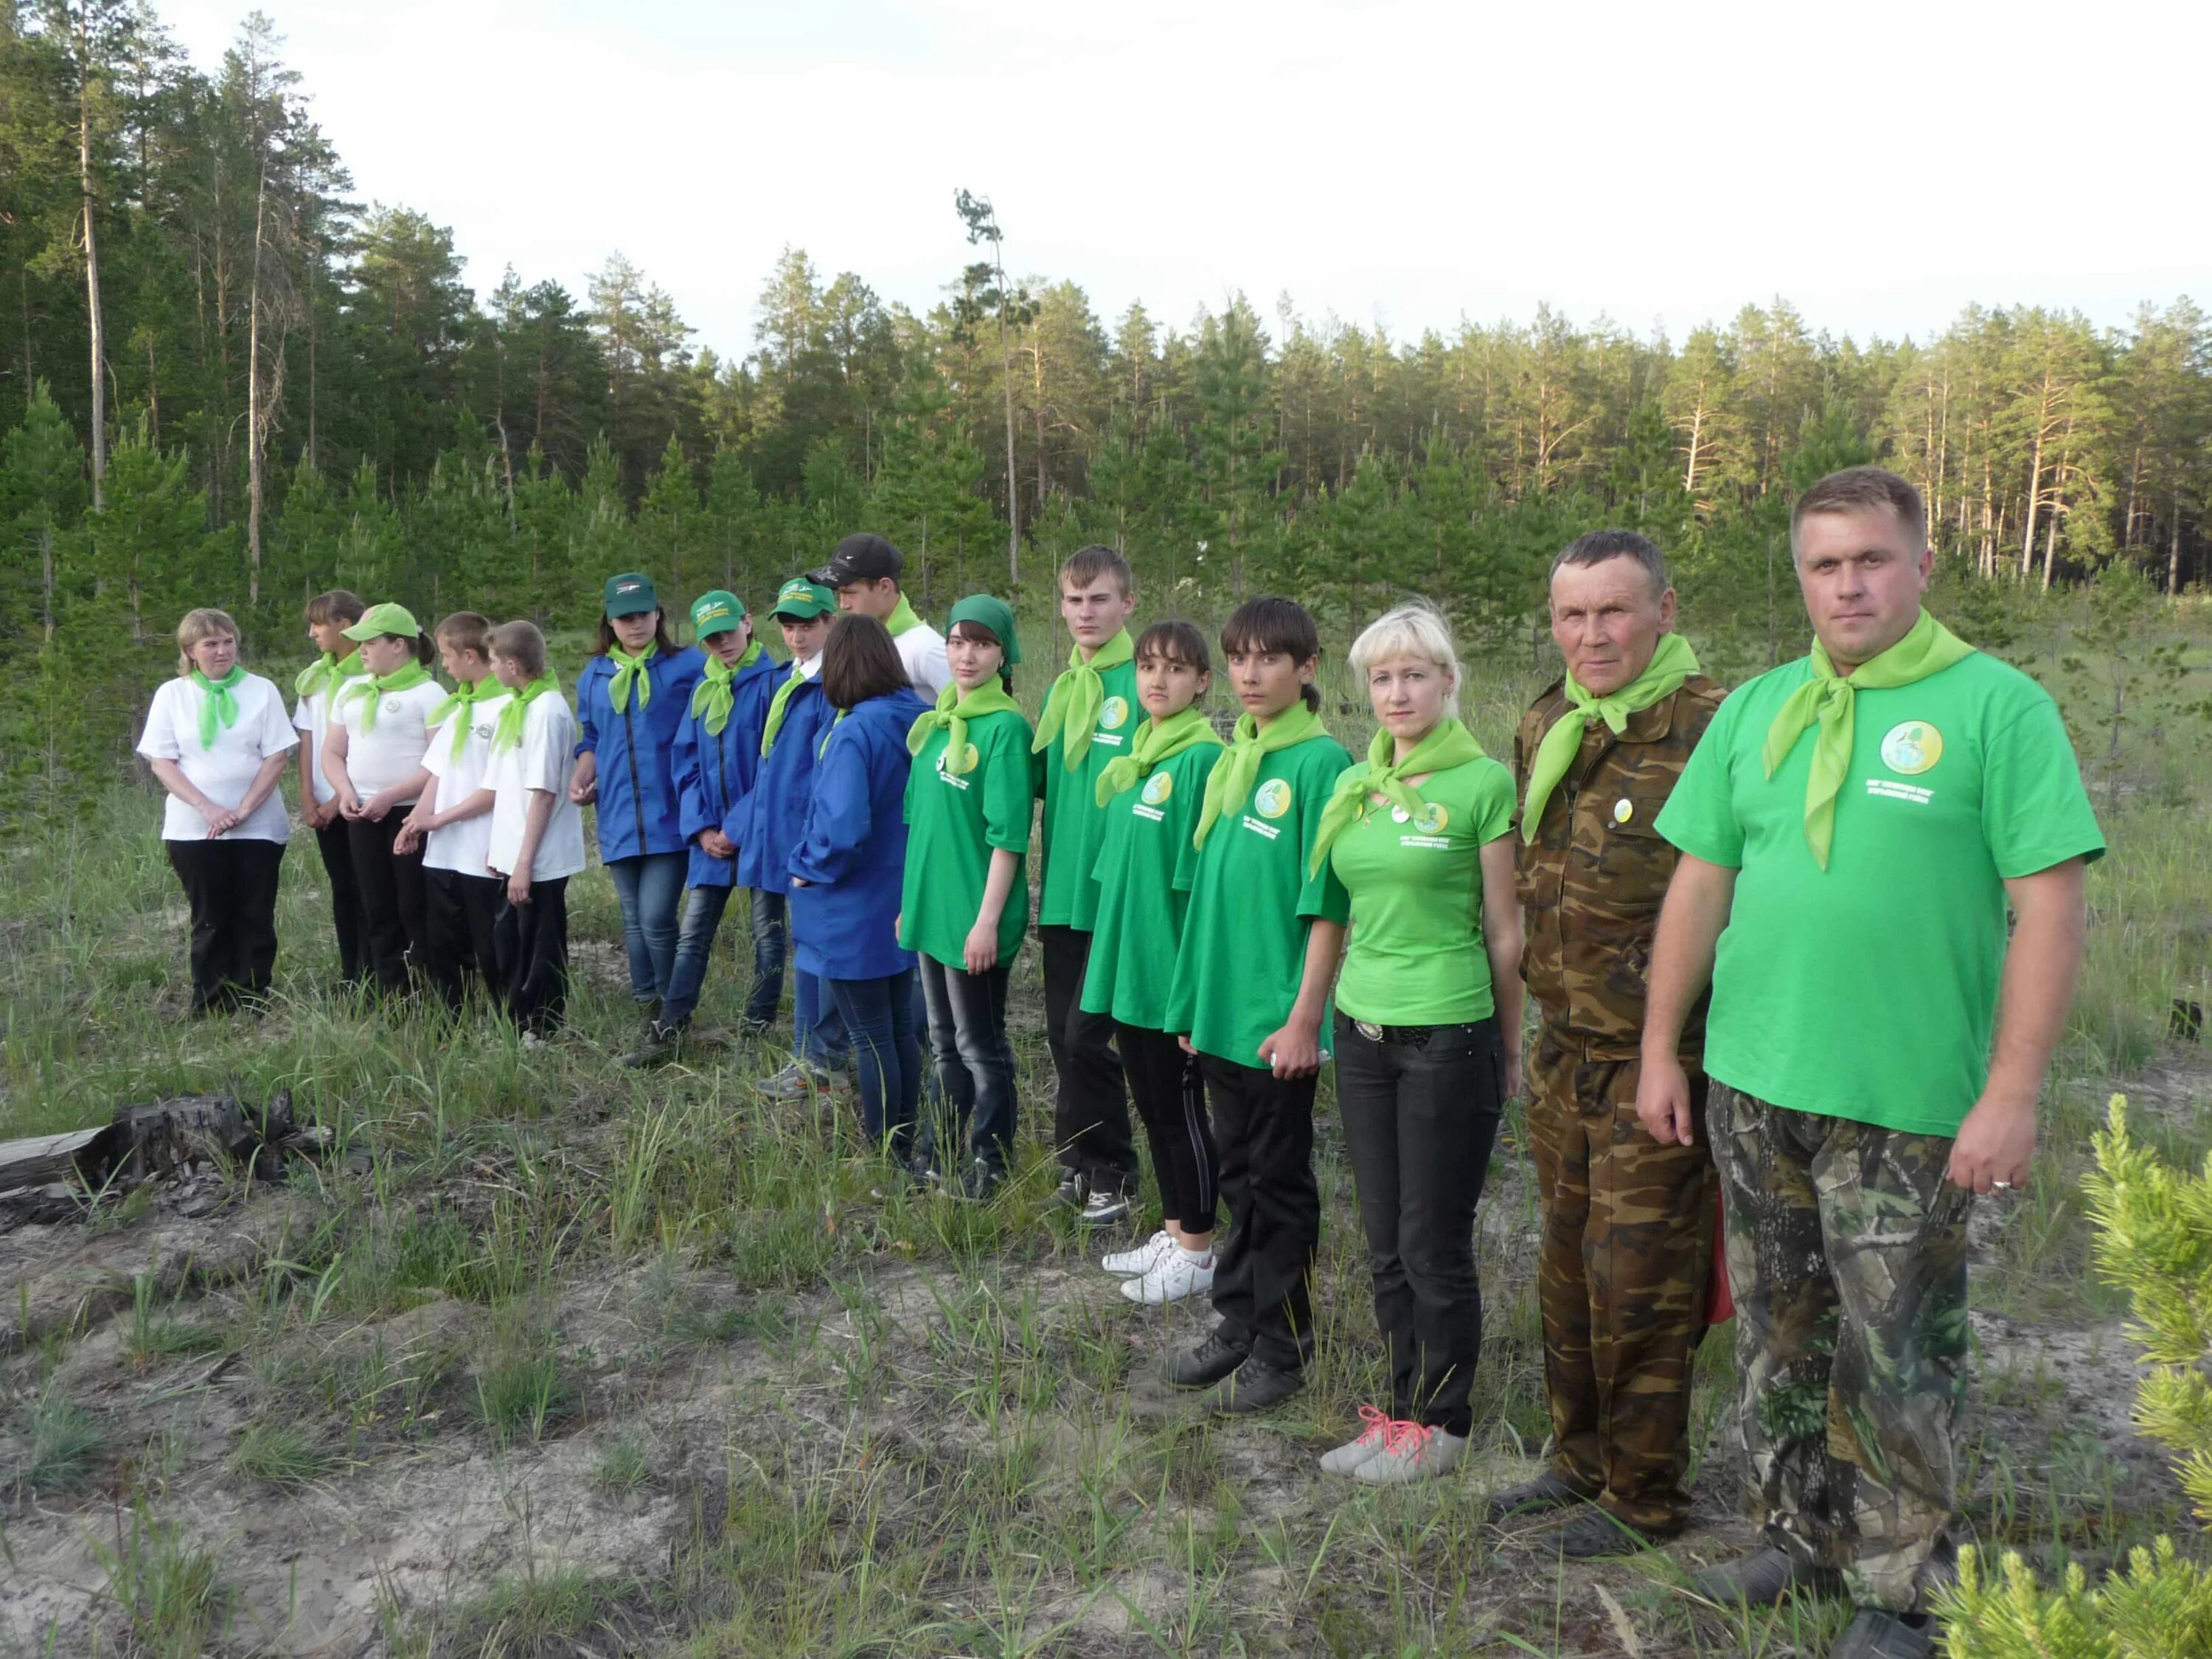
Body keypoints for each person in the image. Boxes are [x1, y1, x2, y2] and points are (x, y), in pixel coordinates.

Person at [1636, 467, 2104, 1659]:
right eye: (1824, 564)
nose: (1848, 584)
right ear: (1800, 575)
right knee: (1781, 1332)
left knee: (1897, 1348)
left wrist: (2012, 1090)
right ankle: (1797, 1530)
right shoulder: (1757, 710)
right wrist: (1663, 1048)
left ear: (1922, 563)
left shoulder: (1997, 709)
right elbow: (1700, 880)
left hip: (1909, 1101)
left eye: (1872, 559)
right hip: (1756, 1082)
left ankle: (1901, 1588)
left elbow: (2049, 907)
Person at [1486, 530, 1727, 1554]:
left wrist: (1671, 1048)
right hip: (1562, 1050)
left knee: (1640, 1278)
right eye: (1573, 615)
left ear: (1664, 611)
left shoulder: (1716, 725)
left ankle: (1645, 1495)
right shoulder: (1549, 720)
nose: (1593, 634)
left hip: (1657, 1056)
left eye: (1615, 611)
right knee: (1569, 1267)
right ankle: (1578, 1459)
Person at [1311, 604, 1520, 1484]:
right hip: (1362, 1033)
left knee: (1434, 1238)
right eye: (1382, 678)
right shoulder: (1356, 786)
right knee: (1384, 1239)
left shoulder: (1481, 785)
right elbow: (1335, 911)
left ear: (1448, 682)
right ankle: (1398, 1414)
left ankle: (1444, 1424)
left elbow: (1506, 934)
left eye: (1414, 675)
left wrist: (1510, 1051)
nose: (1397, 692)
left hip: (1447, 1032)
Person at [1161, 597, 1352, 1414]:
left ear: (1307, 669)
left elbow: (1327, 904)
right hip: (1221, 1012)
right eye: (1238, 657)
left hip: (1276, 1021)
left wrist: (1305, 1016)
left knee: (1276, 1182)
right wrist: (1189, 1003)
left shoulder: (1321, 764)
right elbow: (1208, 900)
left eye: (1269, 658)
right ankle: (1238, 1318)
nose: (1248, 673)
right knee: (1237, 1171)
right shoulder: (1236, 757)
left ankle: (1284, 1344)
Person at [1081, 620, 1225, 1305]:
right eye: (1147, 667)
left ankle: (1199, 1248)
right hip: (1132, 963)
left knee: (1180, 1109)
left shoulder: (1198, 760)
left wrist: (1193, 990)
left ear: (1202, 682)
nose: (1157, 681)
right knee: (1149, 1103)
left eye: (1174, 669)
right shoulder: (1141, 755)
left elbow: (1200, 887)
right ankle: (1173, 1230)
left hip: (1169, 973)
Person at [900, 595, 1034, 1201]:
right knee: (941, 1040)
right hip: (933, 910)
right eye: (957, 642)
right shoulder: (937, 722)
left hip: (973, 918)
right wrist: (912, 903)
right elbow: (921, 825)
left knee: (982, 1046)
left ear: (1003, 654)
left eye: (981, 643)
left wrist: (986, 923)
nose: (966, 654)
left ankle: (991, 1161)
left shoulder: (1005, 728)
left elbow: (1007, 839)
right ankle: (939, 1151)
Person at [789, 616, 930, 1165]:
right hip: (901, 898)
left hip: (852, 905)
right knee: (896, 1028)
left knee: (871, 1035)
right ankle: (906, 1137)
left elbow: (843, 826)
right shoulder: (918, 718)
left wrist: (807, 865)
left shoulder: (854, 730)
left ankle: (886, 1150)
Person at [627, 589, 783, 1065]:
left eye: (729, 633)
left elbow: (776, 766)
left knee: (768, 932)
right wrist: (700, 829)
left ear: (749, 624)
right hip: (709, 838)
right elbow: (685, 760)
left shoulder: (774, 684)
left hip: (758, 832)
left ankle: (756, 1030)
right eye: (711, 639)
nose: (722, 644)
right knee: (694, 934)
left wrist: (736, 828)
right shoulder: (703, 688)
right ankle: (671, 1029)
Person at [1034, 545, 1143, 1225]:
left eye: (1099, 599)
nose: (1085, 613)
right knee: (1056, 1033)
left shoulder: (1145, 682)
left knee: (1090, 1039)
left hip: (1116, 897)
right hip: (1064, 892)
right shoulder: (1060, 687)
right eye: (1074, 601)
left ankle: (1116, 1171)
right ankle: (1076, 1158)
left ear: (1127, 604)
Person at [136, 608, 299, 1014]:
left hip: (258, 824)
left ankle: (253, 996)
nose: (222, 651)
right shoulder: (172, 695)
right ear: (190, 650)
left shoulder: (262, 690)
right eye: (211, 644)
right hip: (194, 827)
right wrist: (208, 808)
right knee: (210, 915)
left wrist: (244, 809)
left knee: (254, 912)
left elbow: (277, 755)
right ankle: (209, 999)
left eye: (228, 642)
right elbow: (162, 761)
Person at [569, 572, 706, 1039]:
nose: (636, 625)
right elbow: (591, 739)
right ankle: (645, 1003)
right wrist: (581, 779)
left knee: (656, 917)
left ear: (658, 615)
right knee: (631, 918)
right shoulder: (594, 676)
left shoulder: (687, 666)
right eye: (626, 617)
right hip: (619, 815)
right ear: (609, 620)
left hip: (670, 813)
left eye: (644, 615)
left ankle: (675, 1011)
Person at [745, 577, 854, 1098]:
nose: (795, 636)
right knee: (800, 946)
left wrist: (813, 848)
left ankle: (822, 1061)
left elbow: (827, 775)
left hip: (810, 844)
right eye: (787, 626)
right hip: (780, 835)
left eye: (807, 625)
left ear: (831, 622)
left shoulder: (833, 685)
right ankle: (811, 1054)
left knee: (819, 949)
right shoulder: (788, 678)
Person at [324, 602, 444, 998]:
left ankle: (426, 989)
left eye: (371, 643)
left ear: (398, 645)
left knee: (413, 904)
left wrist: (392, 795)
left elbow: (440, 763)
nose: (361, 651)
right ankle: (390, 993)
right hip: (361, 812)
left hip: (410, 812)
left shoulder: (428, 693)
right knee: (375, 904)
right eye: (359, 643)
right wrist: (345, 792)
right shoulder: (351, 690)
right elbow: (332, 752)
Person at [397, 612, 510, 1015]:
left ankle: (507, 1021)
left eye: (446, 655)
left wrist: (438, 820)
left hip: (483, 847)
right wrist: (416, 821)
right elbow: (438, 770)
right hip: (444, 851)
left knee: (491, 943)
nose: (442, 664)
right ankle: (451, 1020)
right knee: (445, 944)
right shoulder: (459, 705)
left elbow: (496, 789)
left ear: (470, 655)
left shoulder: (506, 706)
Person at [484, 621, 586, 1040]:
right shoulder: (520, 705)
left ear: (511, 664)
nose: (490, 669)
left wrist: (524, 864)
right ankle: (517, 1019)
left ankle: (542, 1025)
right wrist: (501, 851)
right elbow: (510, 790)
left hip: (540, 856)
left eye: (492, 661)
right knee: (511, 940)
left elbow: (542, 794)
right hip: (516, 851)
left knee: (540, 943)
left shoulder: (546, 710)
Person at [292, 590, 371, 989]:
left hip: (361, 798)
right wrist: (308, 794)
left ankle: (379, 974)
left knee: (368, 888)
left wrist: (343, 798)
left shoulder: (371, 674)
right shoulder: (315, 677)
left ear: (345, 625)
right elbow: (307, 738)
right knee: (342, 887)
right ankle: (350, 974)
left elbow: (369, 745)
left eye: (317, 624)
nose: (311, 633)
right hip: (323, 798)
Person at [818, 532, 951, 698]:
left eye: (850, 593)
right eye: (840, 594)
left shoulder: (926, 649)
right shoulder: (860, 641)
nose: (843, 604)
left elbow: (963, 712)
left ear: (885, 587)